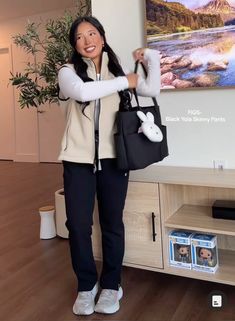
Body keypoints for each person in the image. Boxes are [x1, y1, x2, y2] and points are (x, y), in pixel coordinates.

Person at [58, 16, 161, 316]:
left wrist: (150, 60)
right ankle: (86, 286)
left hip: (115, 158)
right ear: (75, 45)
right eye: (80, 36)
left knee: (112, 224)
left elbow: (152, 90)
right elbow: (82, 93)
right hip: (77, 160)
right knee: (78, 226)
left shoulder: (118, 71)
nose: (87, 40)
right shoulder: (67, 73)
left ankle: (112, 285)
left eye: (92, 33)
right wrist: (122, 81)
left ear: (102, 38)